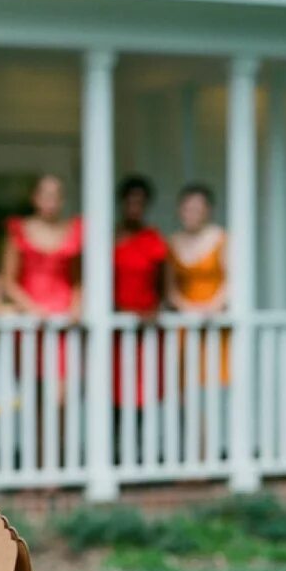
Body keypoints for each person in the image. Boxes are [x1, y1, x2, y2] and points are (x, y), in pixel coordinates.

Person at [114, 175, 168, 408]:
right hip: (115, 326)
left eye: (140, 203)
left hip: (146, 326)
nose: (135, 208)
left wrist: (155, 309)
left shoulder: (154, 240)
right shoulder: (111, 239)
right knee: (115, 389)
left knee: (144, 390)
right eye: (130, 202)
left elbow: (164, 285)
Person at [167, 183, 229, 384]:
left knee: (215, 379)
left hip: (214, 320)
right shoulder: (172, 242)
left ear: (208, 211)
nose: (191, 214)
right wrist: (187, 309)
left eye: (197, 209)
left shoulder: (222, 239)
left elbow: (232, 282)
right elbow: (170, 288)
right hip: (184, 322)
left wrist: (212, 308)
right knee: (185, 381)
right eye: (187, 209)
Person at [1, 174, 82, 320]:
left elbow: (78, 279)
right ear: (35, 198)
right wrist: (32, 309)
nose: (51, 202)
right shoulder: (18, 230)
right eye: (46, 196)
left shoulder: (74, 230)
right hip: (29, 315)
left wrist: (76, 306)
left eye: (56, 196)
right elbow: (8, 281)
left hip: (65, 314)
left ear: (62, 200)